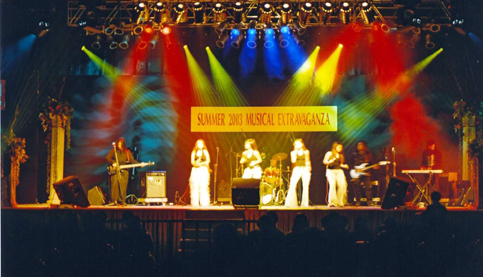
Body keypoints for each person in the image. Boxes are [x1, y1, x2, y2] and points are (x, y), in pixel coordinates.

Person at [106, 137, 139, 206]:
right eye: (119, 143)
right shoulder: (114, 150)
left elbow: (132, 161)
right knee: (114, 185)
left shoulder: (127, 152)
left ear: (123, 144)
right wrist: (113, 162)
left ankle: (121, 200)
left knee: (123, 186)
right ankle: (113, 201)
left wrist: (139, 164)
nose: (119, 144)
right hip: (115, 170)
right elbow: (108, 157)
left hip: (124, 171)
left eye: (121, 143)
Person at [285, 139, 311, 207]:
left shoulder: (306, 151)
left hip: (305, 169)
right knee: (292, 185)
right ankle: (290, 203)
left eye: (298, 144)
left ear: (302, 144)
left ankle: (305, 203)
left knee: (305, 186)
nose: (296, 145)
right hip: (297, 169)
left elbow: (307, 160)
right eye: (295, 144)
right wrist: (295, 152)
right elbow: (293, 161)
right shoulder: (293, 152)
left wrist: (309, 167)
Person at [351, 141, 379, 206]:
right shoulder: (354, 154)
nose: (359, 146)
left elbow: (372, 164)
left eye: (361, 145)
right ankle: (358, 201)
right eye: (358, 145)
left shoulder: (369, 154)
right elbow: (350, 163)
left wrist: (375, 167)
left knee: (368, 187)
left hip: (366, 173)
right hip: (357, 173)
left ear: (364, 146)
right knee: (357, 186)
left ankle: (369, 201)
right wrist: (355, 168)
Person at [323, 141, 349, 207]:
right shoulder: (329, 153)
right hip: (331, 171)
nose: (340, 149)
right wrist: (329, 161)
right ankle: (332, 202)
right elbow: (324, 161)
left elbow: (340, 164)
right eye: (339, 147)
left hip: (339, 171)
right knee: (332, 185)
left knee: (342, 185)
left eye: (341, 148)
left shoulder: (340, 155)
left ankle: (340, 202)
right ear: (335, 147)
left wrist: (344, 166)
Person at [189, 139, 211, 207]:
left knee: (203, 186)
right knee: (195, 186)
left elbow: (208, 160)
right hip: (196, 170)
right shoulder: (194, 152)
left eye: (201, 144)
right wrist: (196, 164)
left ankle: (204, 202)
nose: (200, 145)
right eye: (199, 144)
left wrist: (202, 164)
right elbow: (192, 162)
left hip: (203, 170)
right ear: (197, 145)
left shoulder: (205, 151)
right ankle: (195, 203)